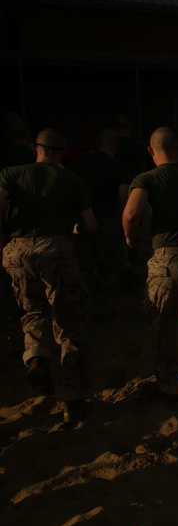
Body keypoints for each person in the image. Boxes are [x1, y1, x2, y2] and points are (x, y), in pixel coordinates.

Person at [0, 129, 96, 423]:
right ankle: (73, 398)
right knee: (68, 321)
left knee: (32, 311)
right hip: (57, 250)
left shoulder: (10, 174)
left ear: (36, 148)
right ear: (62, 152)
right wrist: (75, 230)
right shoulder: (71, 180)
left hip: (18, 251)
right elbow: (90, 224)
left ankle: (37, 358)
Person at [122, 127, 178, 408]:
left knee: (163, 325)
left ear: (151, 151)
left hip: (167, 259)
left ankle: (170, 384)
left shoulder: (147, 178)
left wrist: (130, 237)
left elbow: (131, 213)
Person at [69, 129, 132, 319]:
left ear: (97, 143)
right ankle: (103, 306)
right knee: (110, 265)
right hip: (109, 223)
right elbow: (124, 201)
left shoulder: (76, 165)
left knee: (85, 264)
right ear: (116, 146)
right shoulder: (120, 168)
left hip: (81, 222)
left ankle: (85, 304)